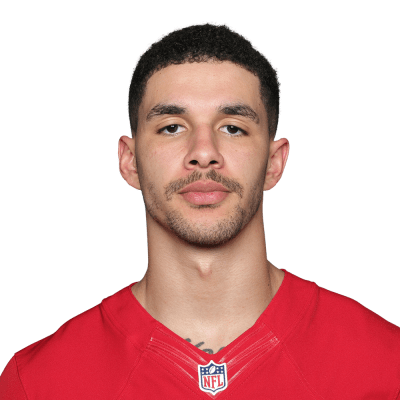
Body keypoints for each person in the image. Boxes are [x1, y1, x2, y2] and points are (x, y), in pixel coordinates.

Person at [1, 23, 399, 400]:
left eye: (233, 127)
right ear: (130, 161)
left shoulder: (386, 366)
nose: (204, 153)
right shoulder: (37, 383)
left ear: (275, 163)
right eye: (172, 127)